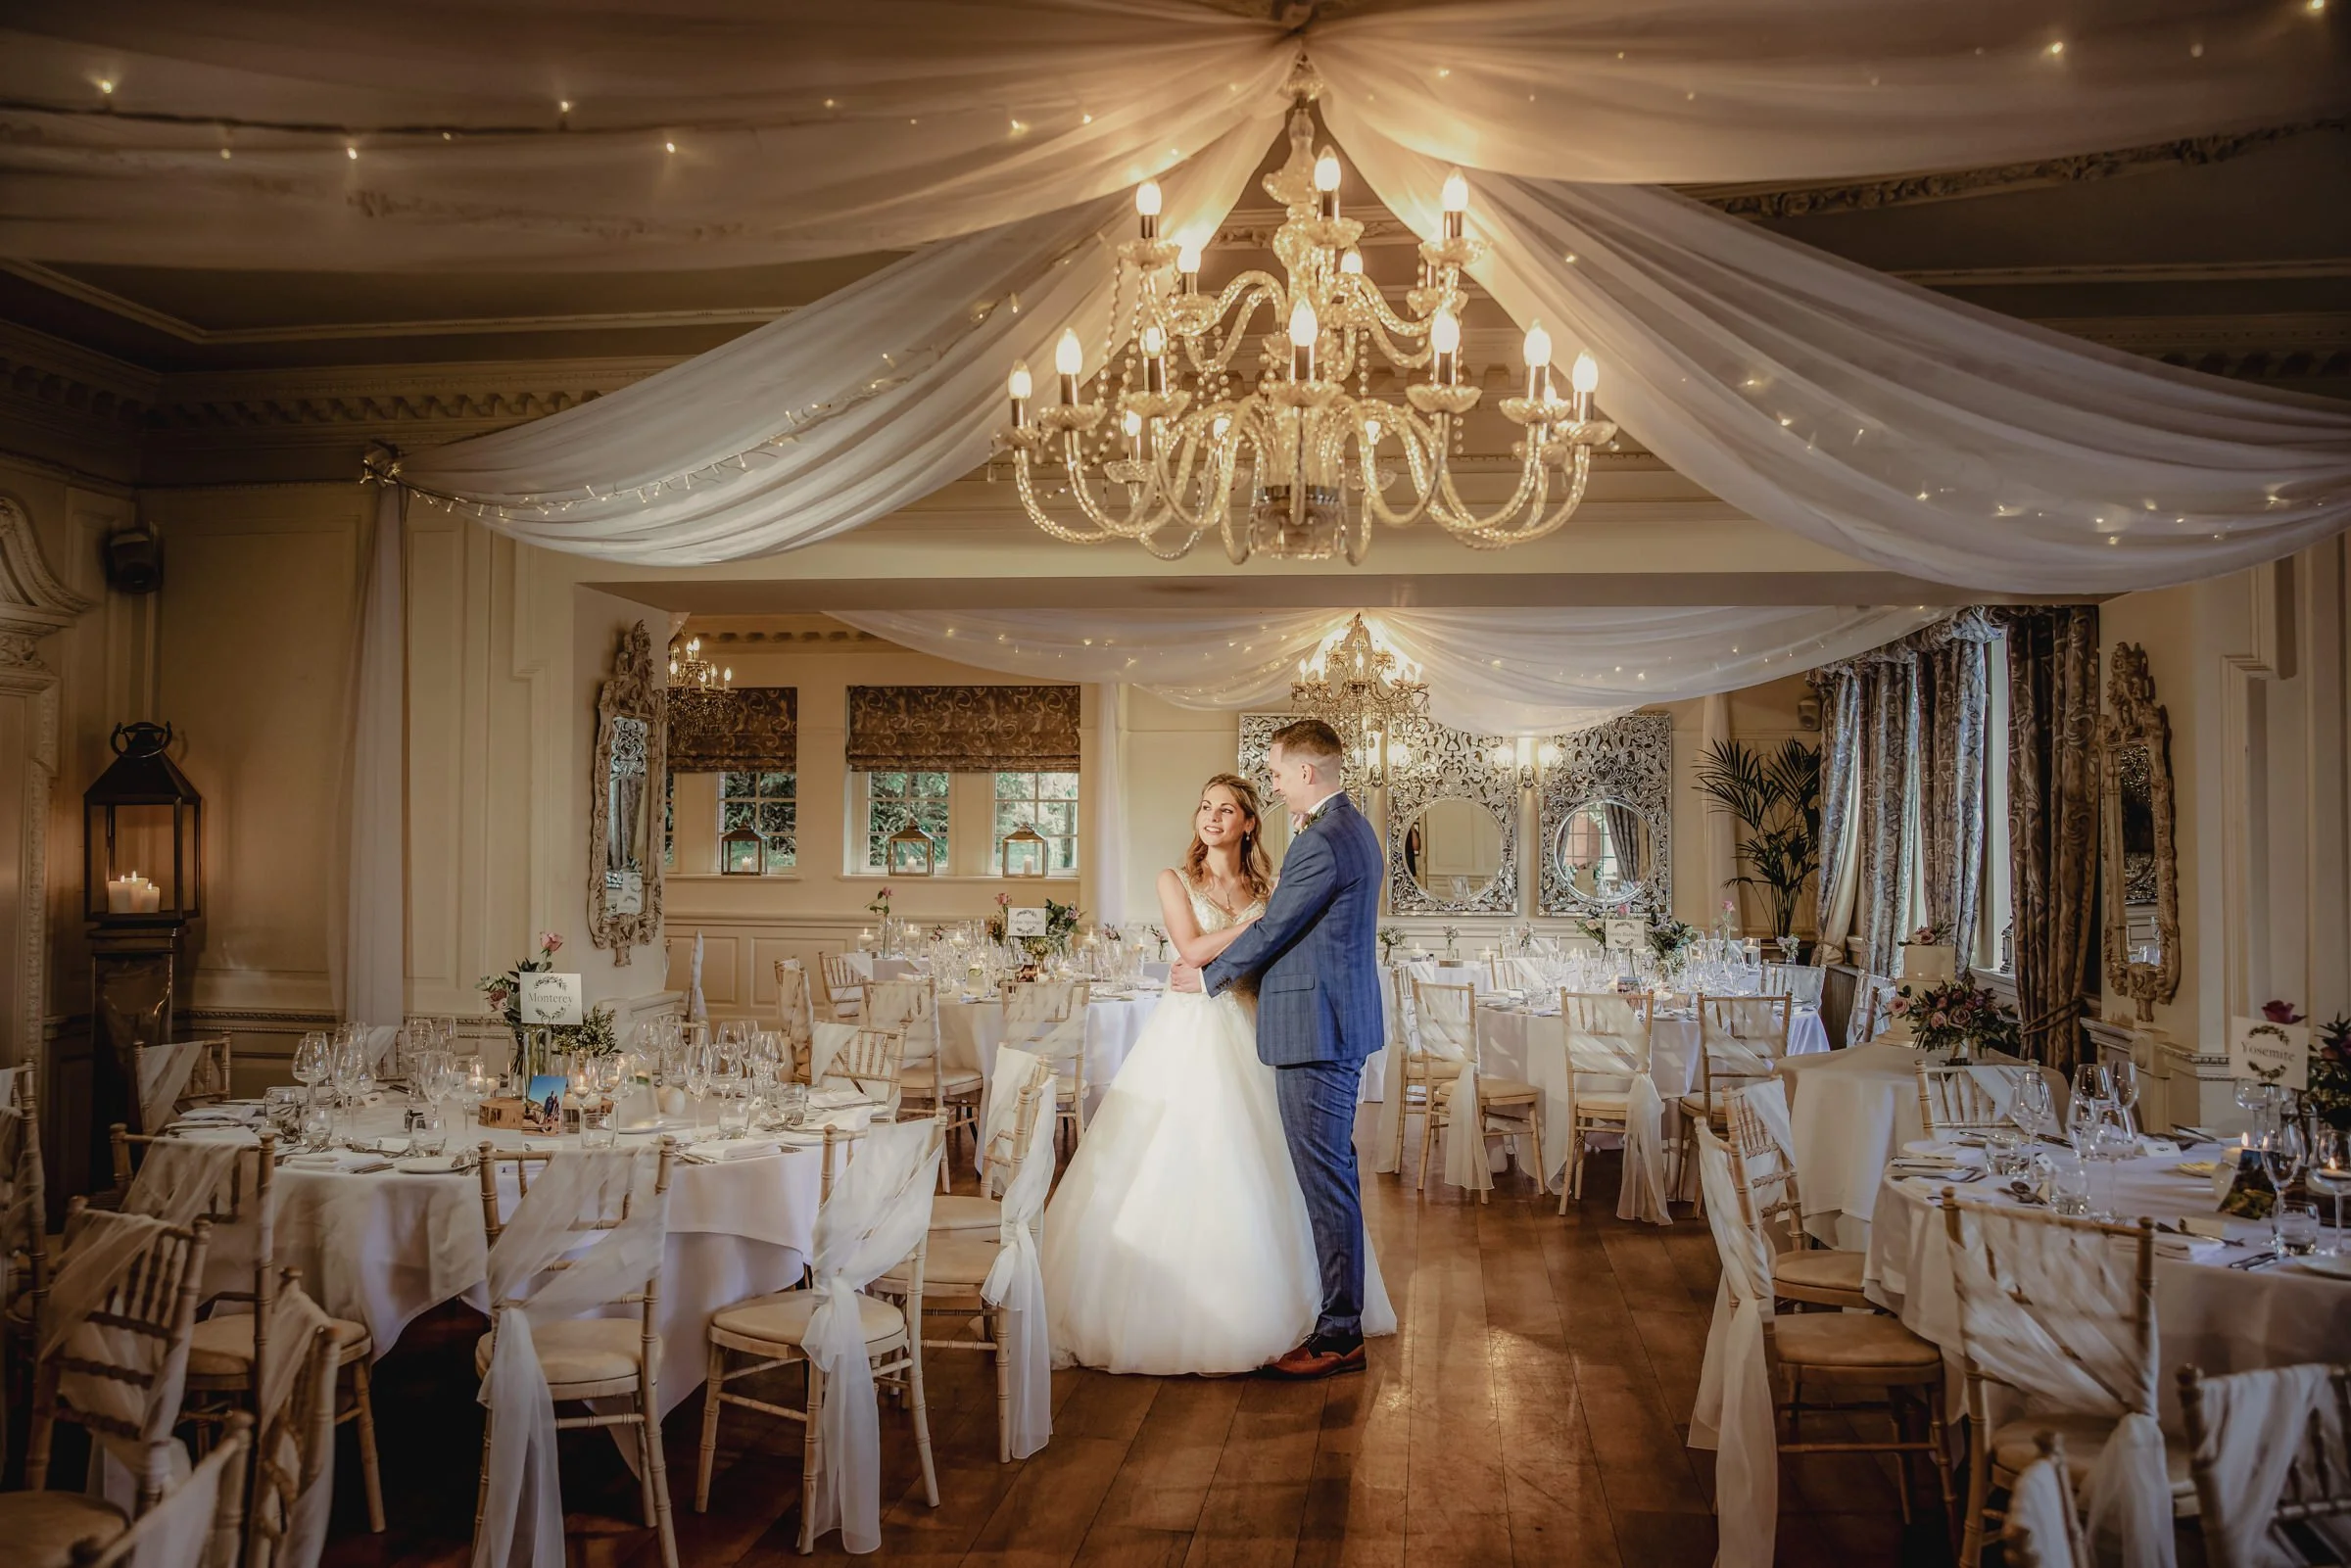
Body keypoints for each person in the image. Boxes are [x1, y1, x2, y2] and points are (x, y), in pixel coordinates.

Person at [1040, 765, 1394, 1376]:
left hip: (1257, 1025)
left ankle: (1315, 1313)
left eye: (1226, 809)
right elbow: (1192, 950)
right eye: (1205, 807)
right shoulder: (1177, 880)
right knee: (1191, 1158)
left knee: (1280, 1167)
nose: (1211, 817)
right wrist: (1259, 924)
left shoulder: (1272, 882)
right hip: (1191, 1031)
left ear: (1248, 823)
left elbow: (1275, 949)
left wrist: (1262, 925)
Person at [1181, 718, 1391, 1378]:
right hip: (1327, 1022)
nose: (1271, 783)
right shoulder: (1344, 827)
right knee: (1334, 1172)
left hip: (1317, 1030)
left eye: (1274, 773)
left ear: (1307, 773)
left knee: (1326, 1178)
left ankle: (1338, 1334)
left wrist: (1208, 975)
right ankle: (1339, 1317)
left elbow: (1276, 925)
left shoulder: (1326, 838)